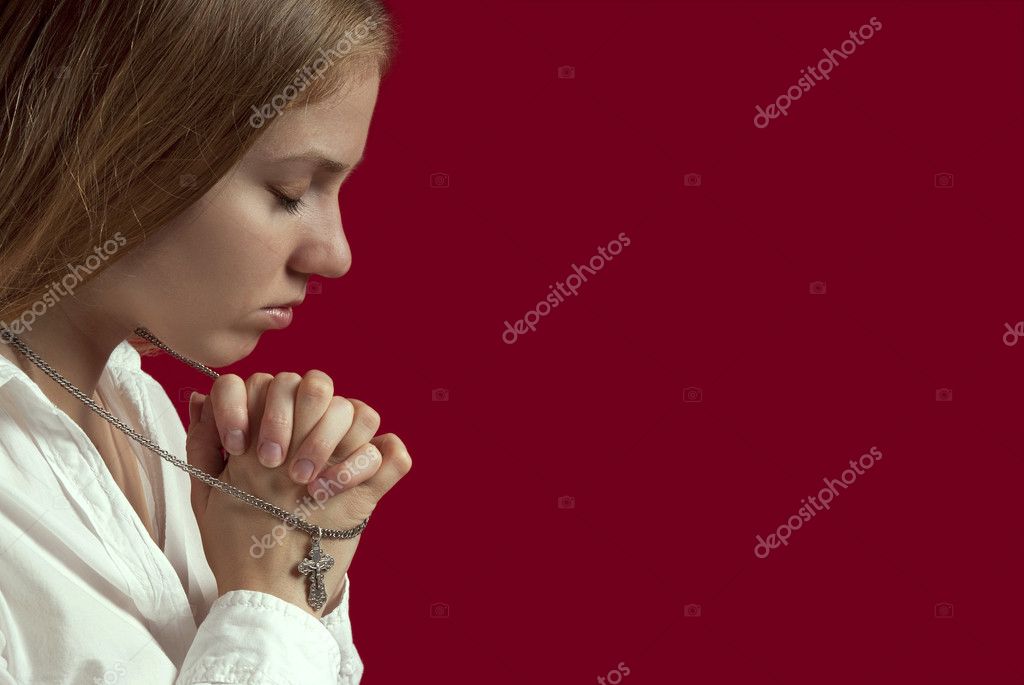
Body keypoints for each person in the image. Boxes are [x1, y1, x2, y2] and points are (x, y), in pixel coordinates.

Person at [0, 1, 409, 683]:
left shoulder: (145, 414)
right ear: (117, 152)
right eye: (290, 190)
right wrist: (268, 601)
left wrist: (300, 572)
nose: (334, 254)